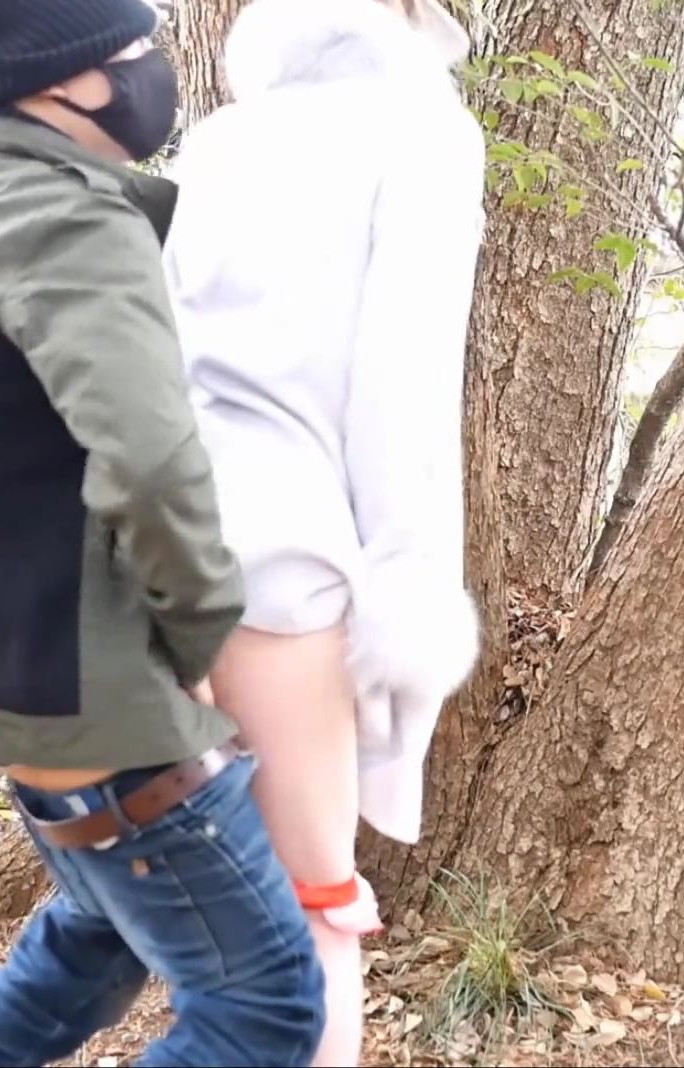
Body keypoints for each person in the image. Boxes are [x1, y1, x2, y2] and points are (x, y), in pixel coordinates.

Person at [0, 0, 326, 1064]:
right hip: (90, 698)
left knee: (86, 954)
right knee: (264, 1010)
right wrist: (202, 636)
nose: (156, 67)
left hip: (19, 686)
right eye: (134, 49)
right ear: (62, 79)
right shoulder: (66, 222)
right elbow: (151, 462)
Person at [162, 0, 486, 1063]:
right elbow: (402, 398)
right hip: (293, 571)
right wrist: (407, 606)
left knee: (211, 932)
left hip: (168, 555)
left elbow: (157, 363)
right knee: (313, 920)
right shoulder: (422, 129)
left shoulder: (220, 139)